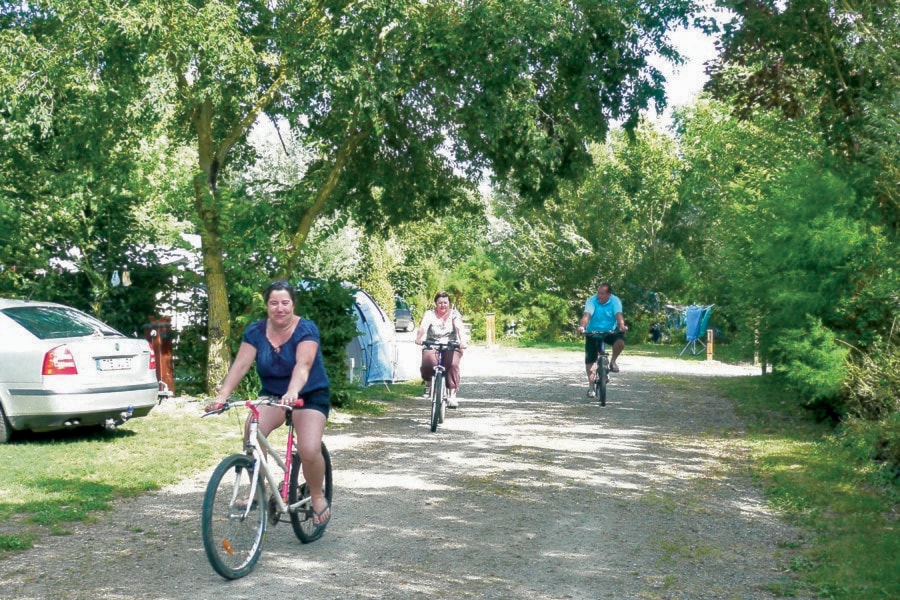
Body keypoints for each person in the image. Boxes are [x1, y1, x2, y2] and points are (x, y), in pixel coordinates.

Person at [204, 281, 331, 531]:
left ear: (293, 304)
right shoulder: (255, 332)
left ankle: (317, 495)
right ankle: (258, 489)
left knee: (308, 448)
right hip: (272, 395)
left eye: (285, 303)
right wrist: (221, 396)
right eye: (274, 303)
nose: (279, 308)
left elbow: (303, 365)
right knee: (253, 427)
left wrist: (293, 391)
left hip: (309, 393)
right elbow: (240, 365)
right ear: (267, 306)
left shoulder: (306, 329)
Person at [415, 291, 466, 408]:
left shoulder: (454, 314)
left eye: (445, 303)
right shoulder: (429, 314)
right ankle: (428, 383)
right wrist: (419, 338)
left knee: (452, 365)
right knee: (428, 363)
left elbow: (458, 327)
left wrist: (462, 341)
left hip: (451, 345)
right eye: (440, 303)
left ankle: (452, 394)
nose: (443, 305)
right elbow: (423, 326)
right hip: (432, 343)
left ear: (449, 303)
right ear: (435, 304)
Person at [577, 282, 628, 398]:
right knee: (590, 360)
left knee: (620, 341)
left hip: (609, 331)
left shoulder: (615, 301)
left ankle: (613, 361)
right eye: (598, 293)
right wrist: (582, 327)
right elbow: (587, 315)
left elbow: (619, 315)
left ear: (609, 294)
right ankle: (591, 387)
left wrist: (621, 326)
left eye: (602, 294)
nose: (599, 296)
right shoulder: (592, 300)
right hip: (593, 332)